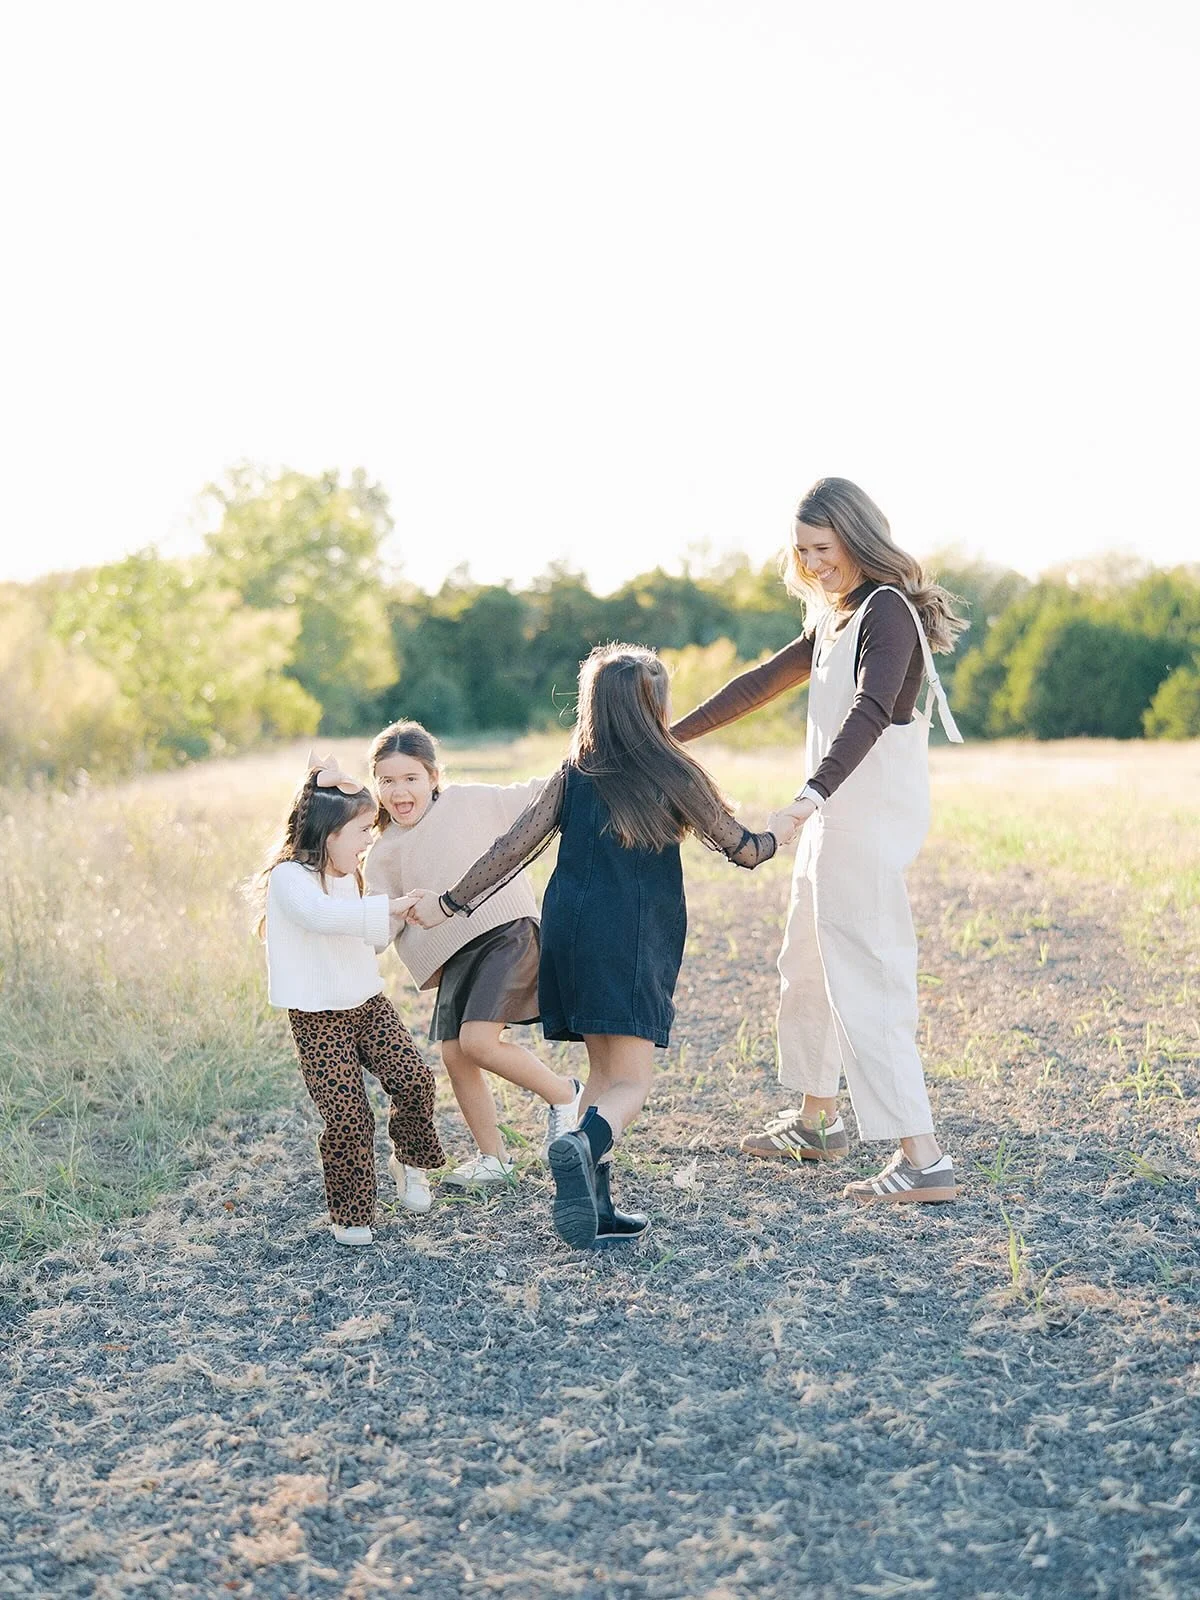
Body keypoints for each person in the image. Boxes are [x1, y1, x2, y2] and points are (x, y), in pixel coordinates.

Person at [407, 644, 798, 1248]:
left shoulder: (574, 773)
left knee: (600, 1074)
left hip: (570, 933)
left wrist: (453, 902)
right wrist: (782, 831)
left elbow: (514, 847)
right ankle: (581, 1144)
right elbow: (740, 848)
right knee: (632, 1083)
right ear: (653, 708)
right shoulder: (673, 770)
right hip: (634, 936)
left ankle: (597, 1208)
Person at [671, 477, 968, 1205]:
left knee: (869, 978)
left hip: (859, 822)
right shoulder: (835, 617)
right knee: (804, 965)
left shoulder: (887, 613)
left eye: (822, 549)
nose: (811, 563)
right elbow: (758, 684)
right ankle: (817, 1121)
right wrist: (664, 739)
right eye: (801, 551)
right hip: (832, 821)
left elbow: (869, 713)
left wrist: (806, 799)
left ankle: (922, 1156)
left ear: (858, 539)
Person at [364, 721, 583, 1189]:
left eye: (410, 778)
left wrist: (589, 749)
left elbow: (537, 794)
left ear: (434, 777)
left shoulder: (469, 800)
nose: (399, 791)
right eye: (387, 780)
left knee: (478, 1042)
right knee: (455, 1055)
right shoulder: (382, 853)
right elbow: (380, 926)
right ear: (376, 786)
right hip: (454, 959)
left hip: (505, 932)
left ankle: (567, 1096)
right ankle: (494, 1159)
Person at [257, 753, 445, 1246]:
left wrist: (400, 915)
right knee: (347, 1115)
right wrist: (388, 908)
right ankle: (352, 1212)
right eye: (362, 832)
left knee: (414, 1079)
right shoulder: (289, 880)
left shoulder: (351, 877)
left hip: (366, 1004)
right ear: (329, 834)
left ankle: (408, 1160)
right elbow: (323, 918)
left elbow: (366, 935)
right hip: (319, 1018)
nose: (368, 843)